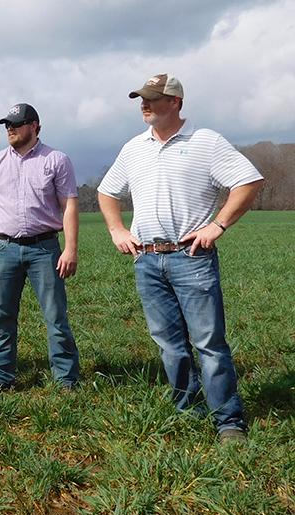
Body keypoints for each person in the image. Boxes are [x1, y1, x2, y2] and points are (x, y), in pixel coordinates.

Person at [97, 74, 264, 443]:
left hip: (192, 258)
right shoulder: (133, 148)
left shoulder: (205, 142)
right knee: (168, 342)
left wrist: (218, 225)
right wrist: (117, 230)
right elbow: (108, 192)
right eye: (141, 99)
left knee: (208, 343)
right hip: (147, 260)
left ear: (175, 102)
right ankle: (186, 409)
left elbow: (248, 181)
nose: (144, 105)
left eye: (153, 99)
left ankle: (228, 422)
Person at [0, 103, 80, 392]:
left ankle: (65, 378)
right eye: (7, 124)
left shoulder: (56, 160)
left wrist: (70, 249)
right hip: (4, 249)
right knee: (3, 316)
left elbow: (69, 205)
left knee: (55, 316)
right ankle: (0, 377)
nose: (10, 129)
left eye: (16, 124)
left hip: (44, 249)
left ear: (35, 126)